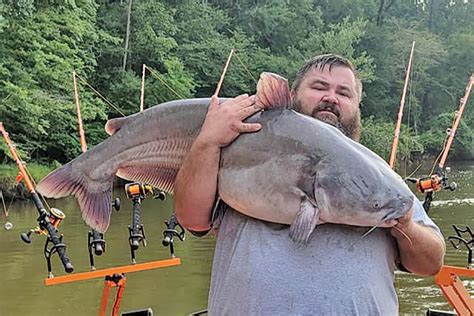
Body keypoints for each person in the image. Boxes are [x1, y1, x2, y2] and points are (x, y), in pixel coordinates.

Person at [174, 54, 445, 315]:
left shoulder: (381, 179)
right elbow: (193, 218)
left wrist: (405, 226)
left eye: (344, 92)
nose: (331, 97)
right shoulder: (233, 139)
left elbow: (432, 262)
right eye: (319, 87)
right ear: (291, 95)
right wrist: (207, 142)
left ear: (356, 107)